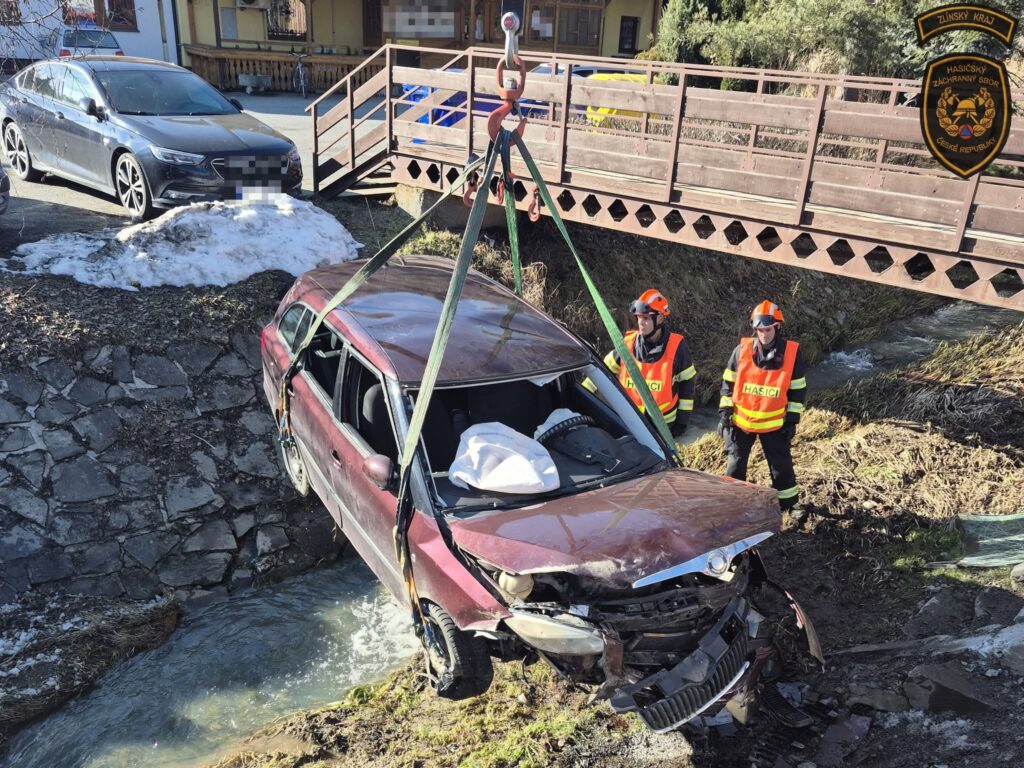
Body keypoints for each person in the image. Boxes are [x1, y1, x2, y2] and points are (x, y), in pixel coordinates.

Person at [718, 300, 806, 511]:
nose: (763, 334)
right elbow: (728, 384)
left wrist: (792, 421)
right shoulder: (741, 351)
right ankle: (732, 505)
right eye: (760, 330)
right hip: (741, 423)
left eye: (767, 330)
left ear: (777, 327)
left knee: (781, 467)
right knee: (735, 465)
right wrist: (725, 414)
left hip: (774, 425)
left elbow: (797, 390)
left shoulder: (792, 354)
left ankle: (789, 506)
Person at [592, 289, 695, 438]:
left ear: (660, 318)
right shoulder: (627, 344)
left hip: (664, 427)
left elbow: (687, 385)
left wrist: (682, 422)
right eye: (639, 317)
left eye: (646, 318)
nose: (641, 323)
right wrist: (581, 392)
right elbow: (599, 370)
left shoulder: (677, 346)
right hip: (630, 421)